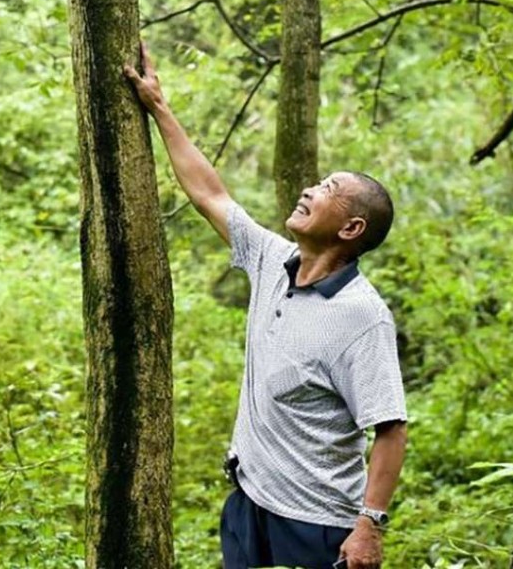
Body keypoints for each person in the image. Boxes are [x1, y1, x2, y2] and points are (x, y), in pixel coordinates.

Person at [124, 43, 408, 569]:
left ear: (350, 228)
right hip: (249, 505)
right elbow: (211, 195)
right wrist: (158, 107)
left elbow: (390, 429)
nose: (308, 190)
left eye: (327, 189)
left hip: (317, 525)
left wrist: (369, 526)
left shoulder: (362, 317)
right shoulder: (273, 260)